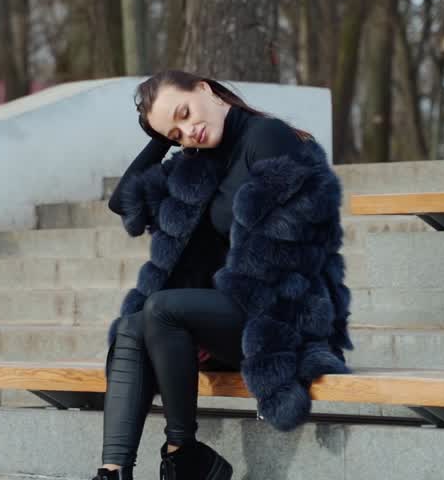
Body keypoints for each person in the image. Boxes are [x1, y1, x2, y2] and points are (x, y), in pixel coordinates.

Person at [92, 70, 352, 480]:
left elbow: (288, 251)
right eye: (176, 133)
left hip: (283, 317)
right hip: (230, 317)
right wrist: (163, 132)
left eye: (185, 112)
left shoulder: (268, 137)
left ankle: (183, 453)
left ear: (205, 89)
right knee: (131, 324)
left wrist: (197, 317)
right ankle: (112, 472)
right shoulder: (201, 161)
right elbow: (124, 202)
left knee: (160, 309)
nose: (187, 132)